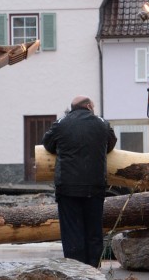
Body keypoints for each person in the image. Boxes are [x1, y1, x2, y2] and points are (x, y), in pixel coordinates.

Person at [42, 96, 117, 268]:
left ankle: (76, 271)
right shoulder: (102, 123)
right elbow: (111, 145)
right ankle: (93, 270)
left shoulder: (61, 123)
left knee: (71, 233)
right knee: (94, 232)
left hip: (67, 188)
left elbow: (48, 144)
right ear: (89, 106)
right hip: (94, 187)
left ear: (73, 108)